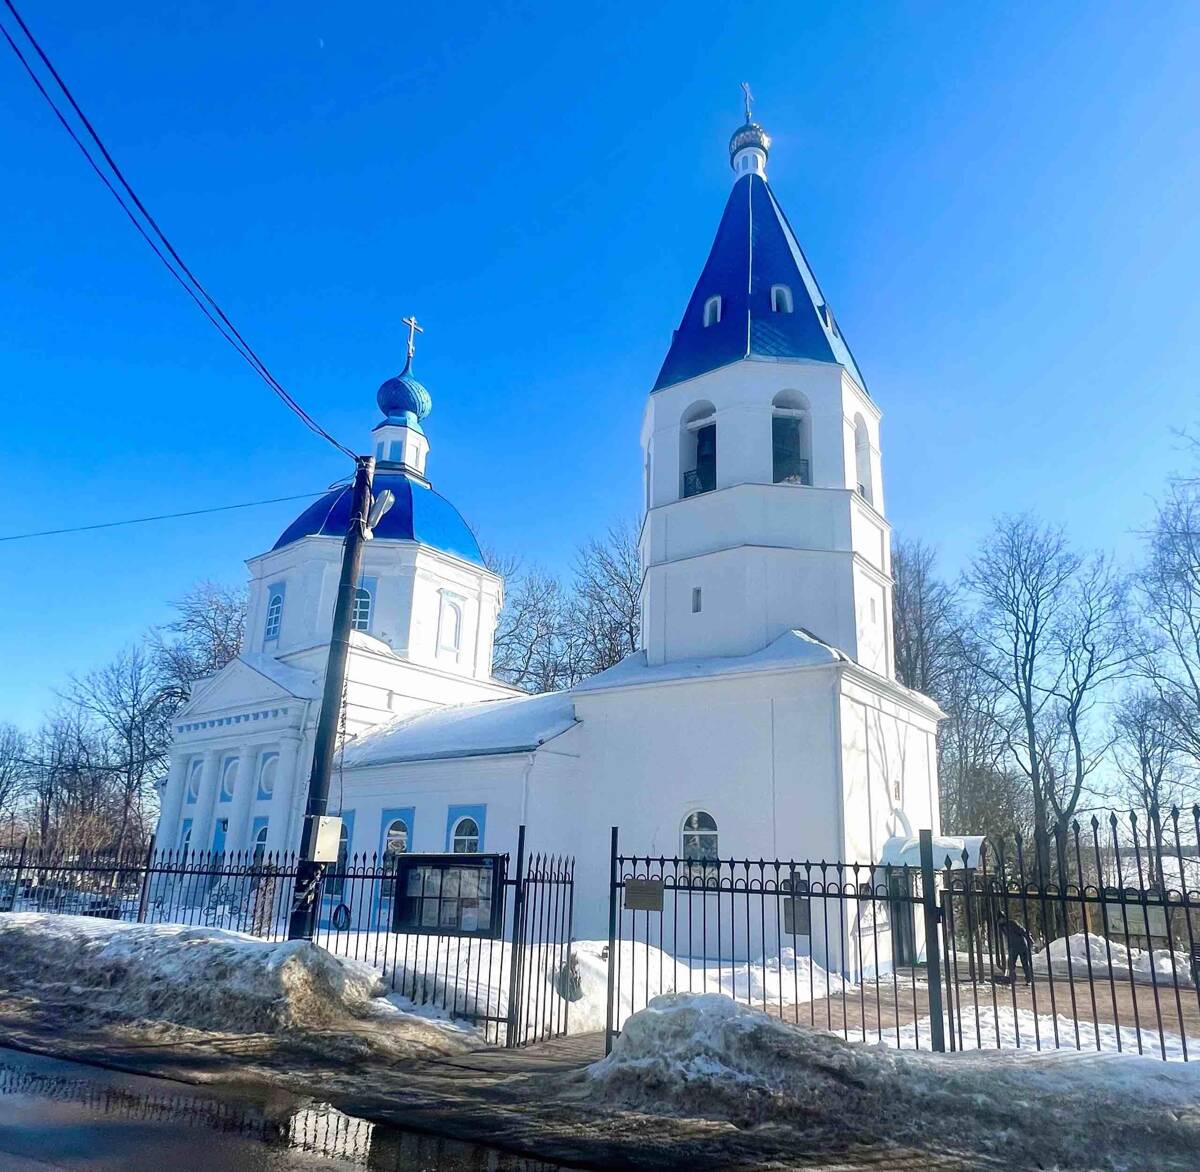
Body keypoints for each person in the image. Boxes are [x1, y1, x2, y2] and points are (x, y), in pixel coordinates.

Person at [994, 911, 1034, 985]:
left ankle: (1029, 980)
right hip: (1013, 947)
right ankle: (1011, 979)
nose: (1000, 921)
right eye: (999, 920)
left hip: (1021, 946)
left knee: (1025, 963)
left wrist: (1030, 939)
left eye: (1001, 919)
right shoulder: (1001, 927)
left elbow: (1022, 931)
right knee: (1010, 964)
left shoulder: (1012, 923)